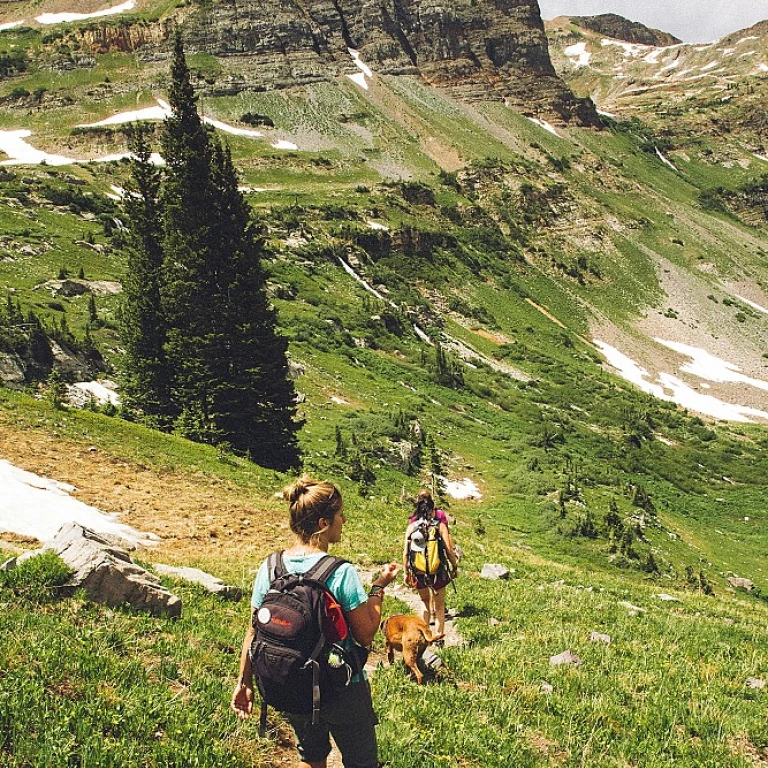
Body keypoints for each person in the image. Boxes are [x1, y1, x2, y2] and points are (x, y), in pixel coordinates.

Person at [231, 476, 399, 768]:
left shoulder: (271, 567)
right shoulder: (339, 572)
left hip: (292, 681)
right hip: (341, 687)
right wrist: (378, 588)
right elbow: (366, 634)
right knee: (362, 761)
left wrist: (244, 682)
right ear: (323, 523)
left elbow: (253, 630)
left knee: (312, 755)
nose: (343, 520)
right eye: (339, 516)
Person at [403, 489, 459, 637]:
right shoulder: (440, 525)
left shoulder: (411, 526)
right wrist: (454, 566)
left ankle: (424, 636)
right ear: (432, 507)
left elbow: (406, 553)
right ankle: (439, 637)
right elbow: (448, 550)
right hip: (438, 571)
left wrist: (406, 573)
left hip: (418, 571)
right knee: (439, 606)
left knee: (424, 602)